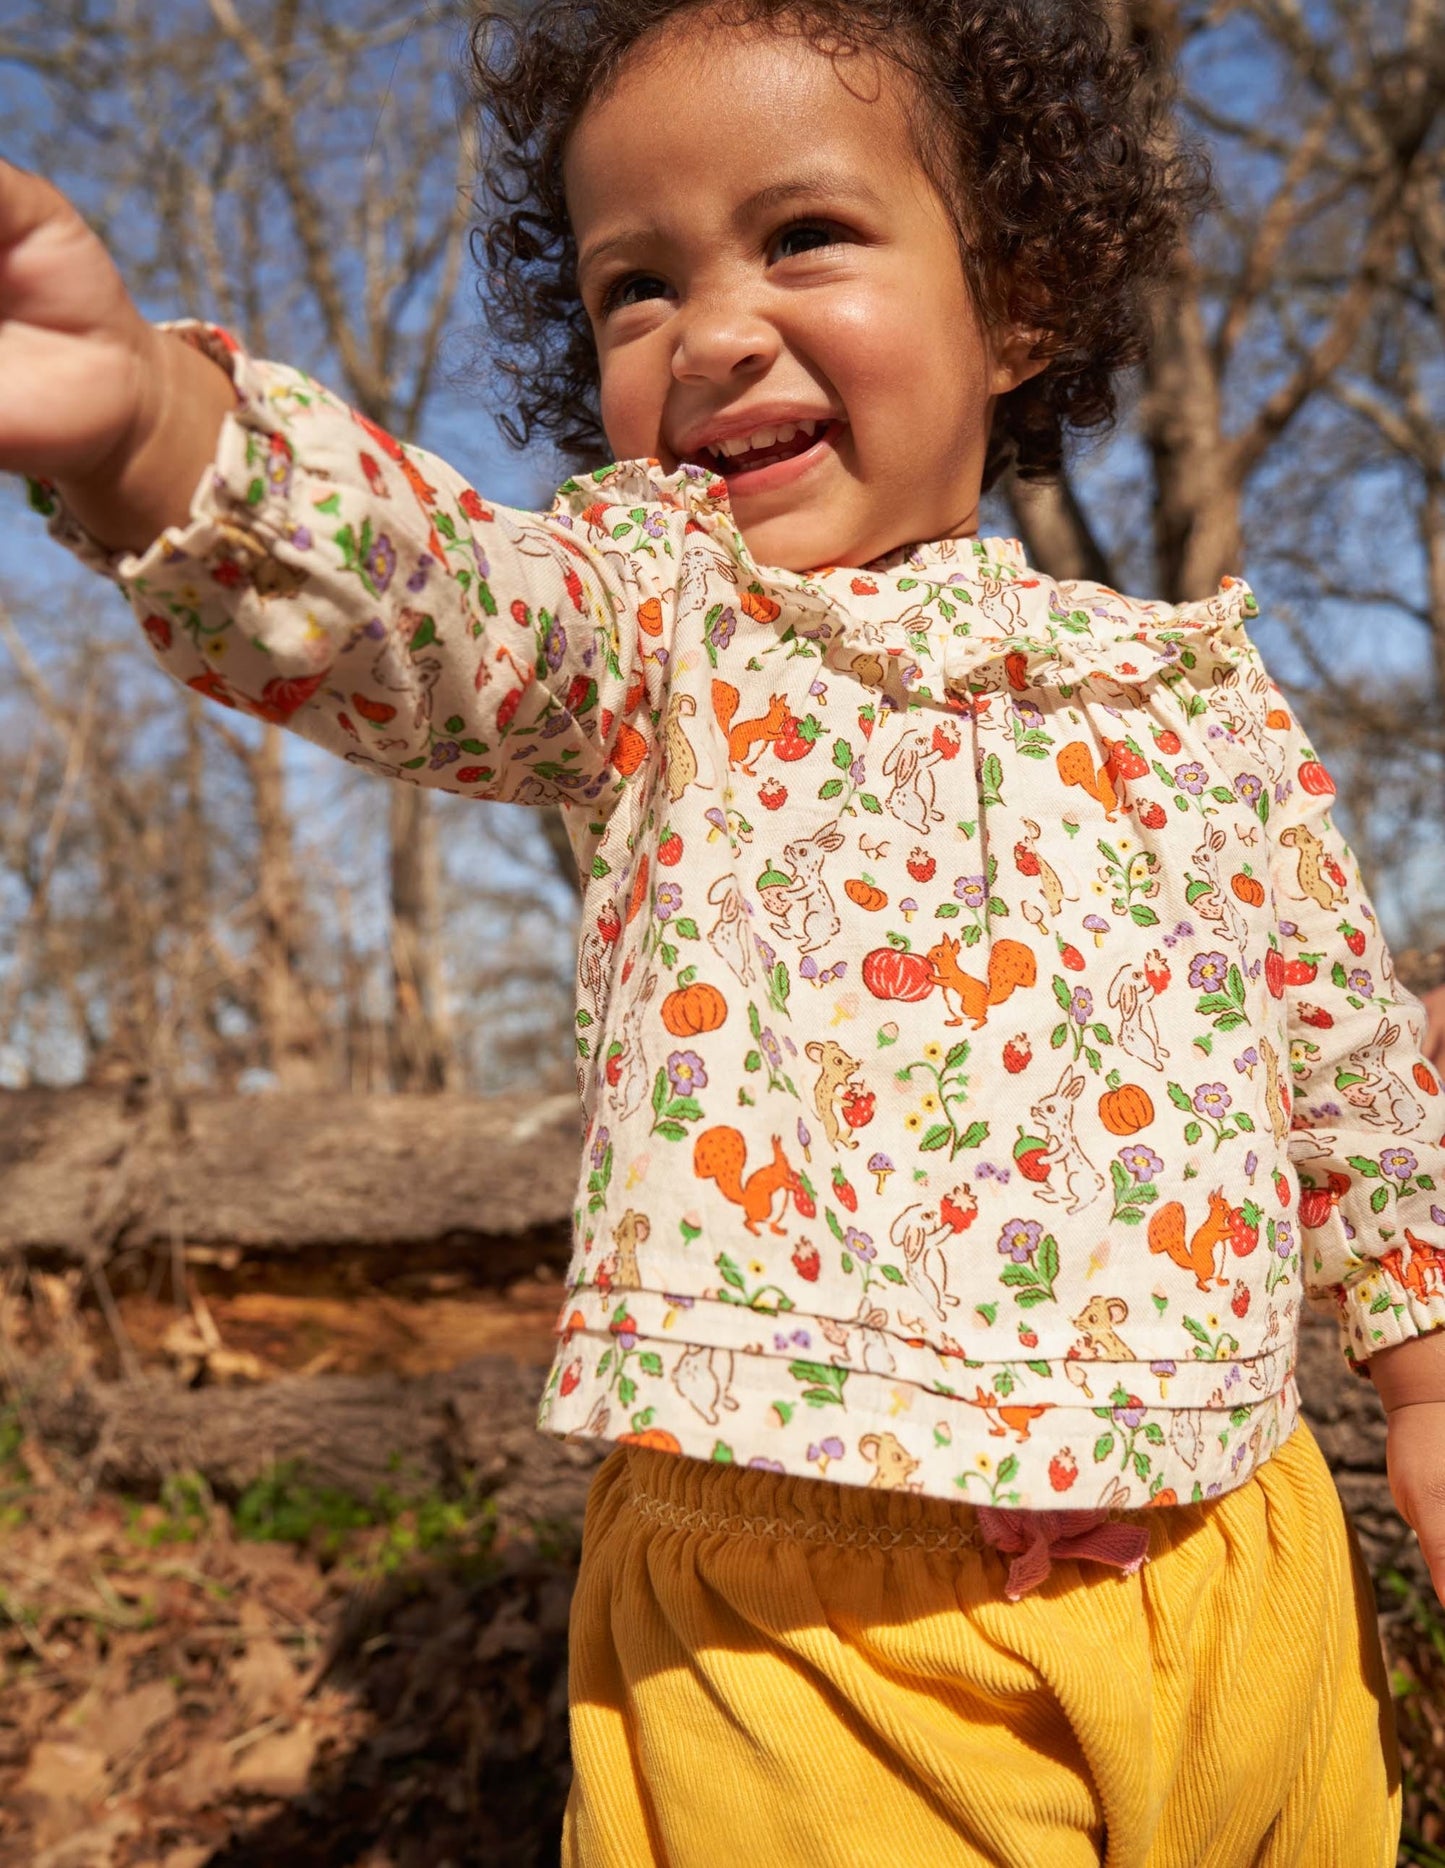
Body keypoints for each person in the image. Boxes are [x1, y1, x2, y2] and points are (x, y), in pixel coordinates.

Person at [4, 1, 1443, 1860]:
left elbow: (1347, 1073)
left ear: (1015, 297)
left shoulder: (1203, 698)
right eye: (633, 287)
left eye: (805, 235)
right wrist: (149, 425)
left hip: (1231, 1571)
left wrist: (1419, 1377)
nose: (715, 328)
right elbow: (434, 605)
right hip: (796, 1621)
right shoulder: (664, 634)